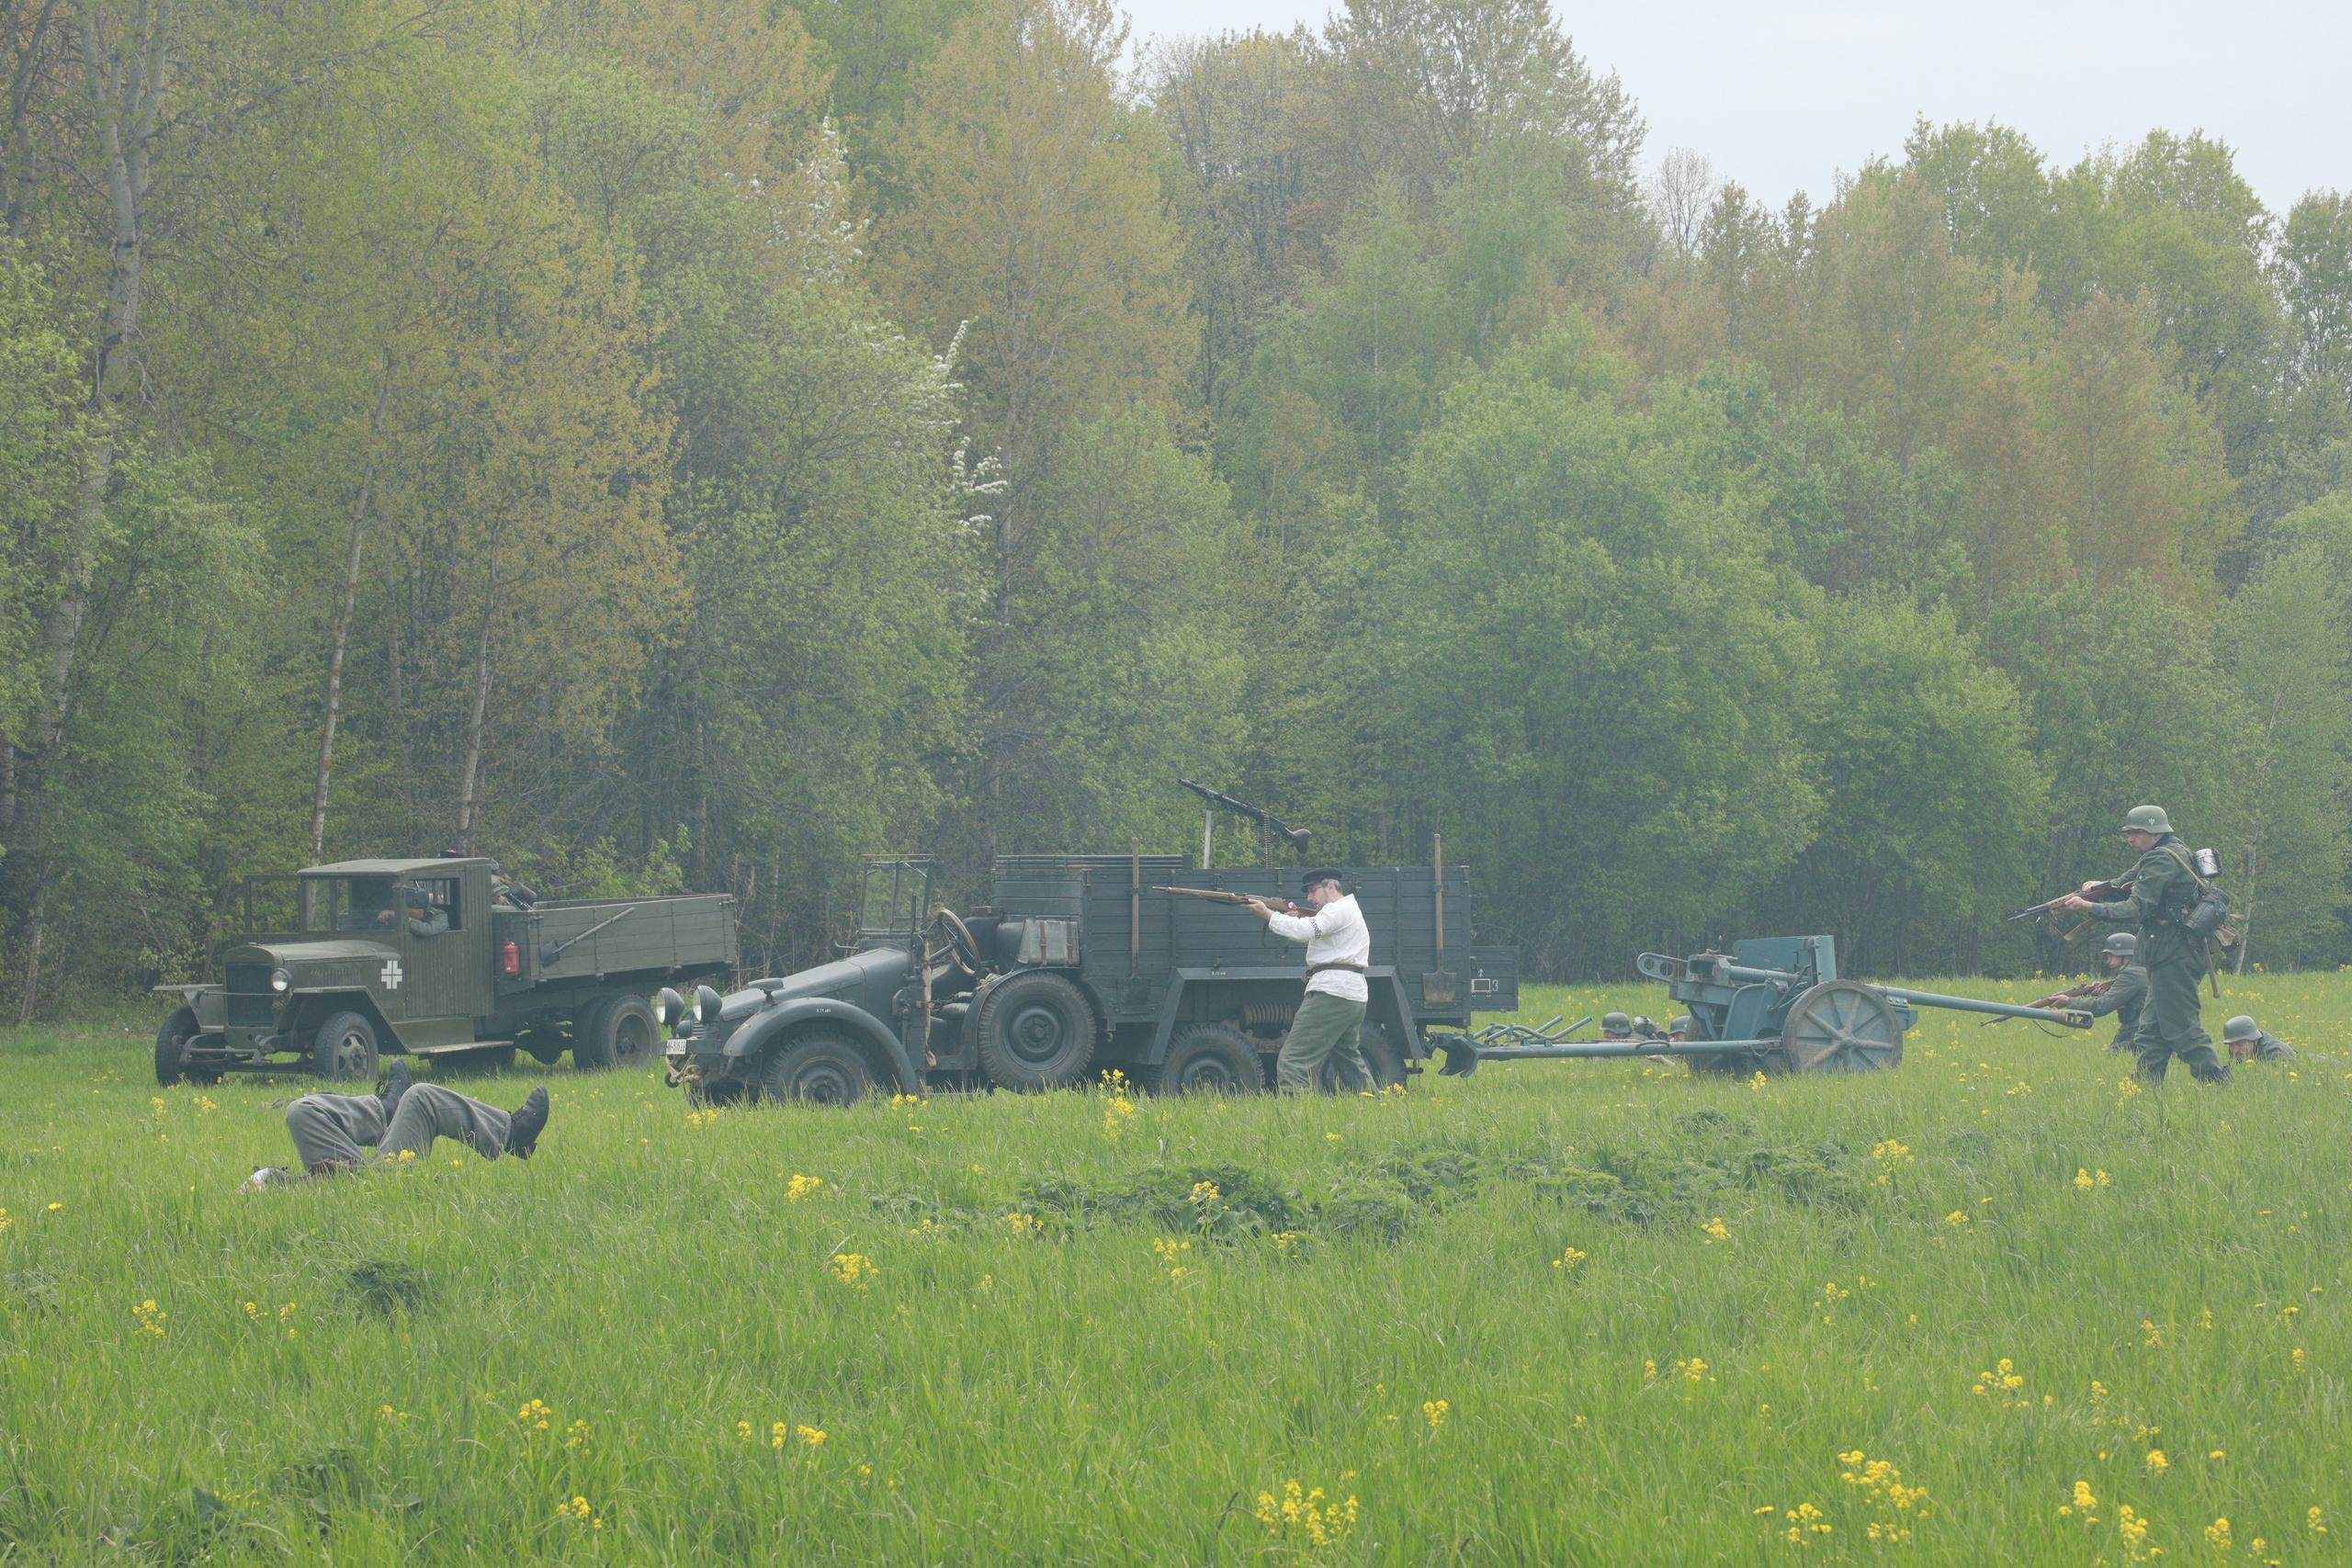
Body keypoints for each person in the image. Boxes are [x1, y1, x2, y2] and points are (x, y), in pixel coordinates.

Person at [2055, 805, 2228, 1086]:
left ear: (2154, 832)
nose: (2130, 838)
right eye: (2129, 833)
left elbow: (2136, 908)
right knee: (2150, 1031)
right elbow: (2126, 881)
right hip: (2168, 954)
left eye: (2136, 833)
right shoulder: (2167, 851)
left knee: (2183, 1029)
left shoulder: (2161, 859)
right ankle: (2145, 1088)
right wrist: (2100, 886)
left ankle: (2218, 1083)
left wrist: (2089, 906)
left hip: (2175, 954)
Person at [243, 1062, 550, 1189]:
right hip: (378, 1185)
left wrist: (273, 1178)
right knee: (421, 1097)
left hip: (350, 1179)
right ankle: (511, 1134)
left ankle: (385, 1110)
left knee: (300, 1110)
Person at [1247, 868, 1376, 1094]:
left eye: (1313, 891)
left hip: (1332, 992)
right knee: (1349, 1060)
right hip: (1350, 995)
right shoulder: (1345, 910)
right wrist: (1290, 921)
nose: (1309, 898)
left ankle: (1296, 1119)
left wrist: (1268, 915)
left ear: (1330, 887)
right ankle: (1376, 1110)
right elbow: (1312, 933)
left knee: (1292, 1060)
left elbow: (1306, 931)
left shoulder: (1337, 910)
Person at [2076, 932, 2149, 1054]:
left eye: (2111, 956)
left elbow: (2102, 1006)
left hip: (2139, 1029)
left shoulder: (2130, 974)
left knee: (2114, 1056)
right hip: (2145, 1028)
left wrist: (2068, 1002)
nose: (2108, 961)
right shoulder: (2141, 971)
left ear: (2126, 957)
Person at [2222, 1015, 2296, 1064]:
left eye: (2239, 1044)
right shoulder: (2242, 1051)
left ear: (2253, 1039)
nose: (2235, 1050)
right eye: (2231, 1045)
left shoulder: (2276, 1053)